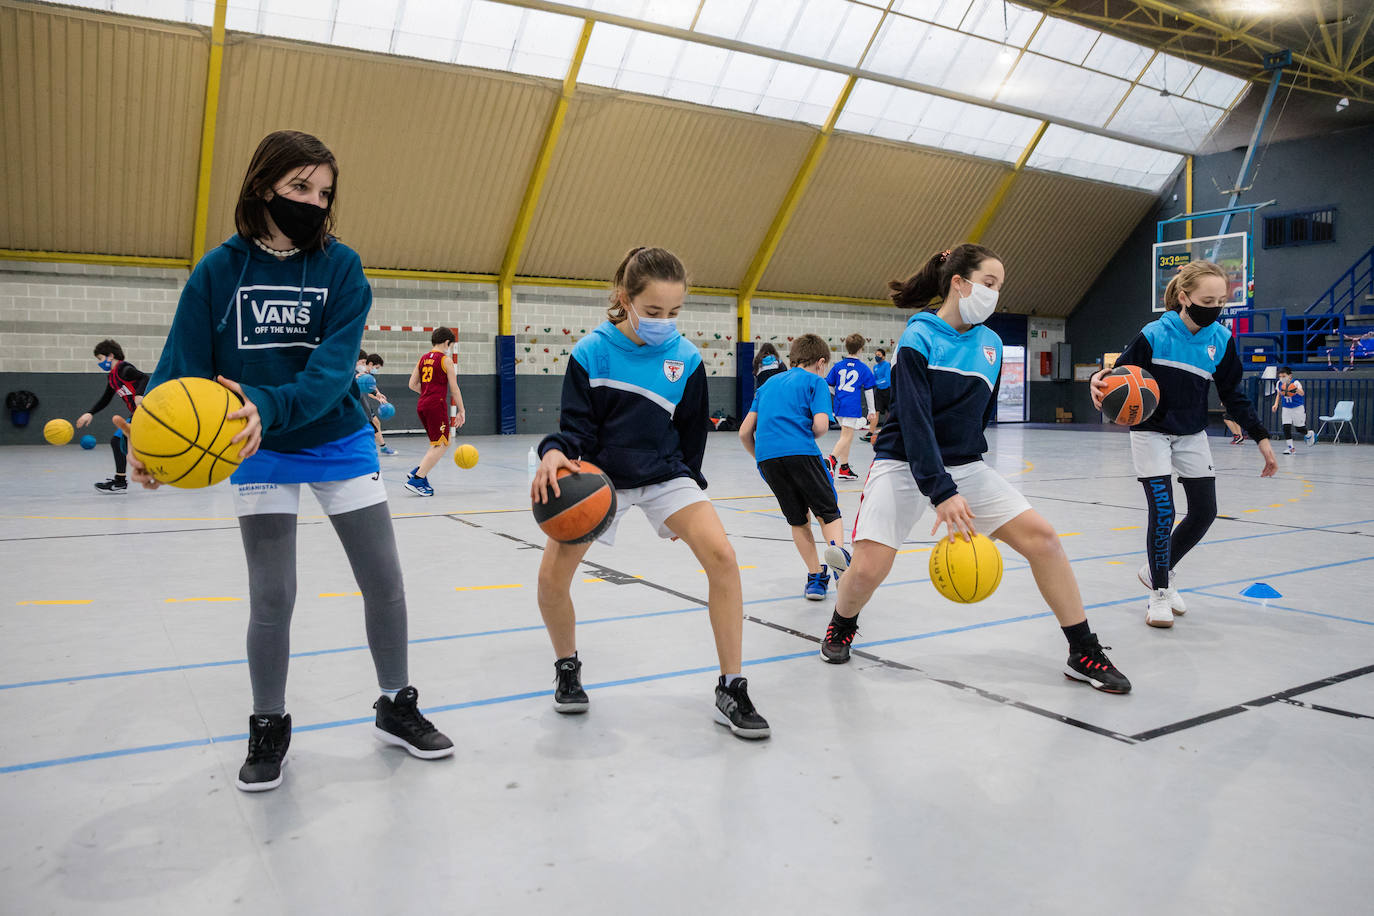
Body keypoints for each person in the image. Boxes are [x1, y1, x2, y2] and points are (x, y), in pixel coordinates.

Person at [124, 129, 452, 792]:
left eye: (324, 191)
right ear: (262, 186)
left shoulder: (342, 269)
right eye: (300, 186)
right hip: (255, 446)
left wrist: (266, 406)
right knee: (273, 595)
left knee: (383, 580)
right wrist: (147, 436)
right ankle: (269, 722)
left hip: (333, 436)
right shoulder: (219, 271)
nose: (314, 200)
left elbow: (334, 374)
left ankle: (396, 703)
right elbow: (182, 365)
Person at [820, 244, 1131, 694]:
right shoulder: (917, 338)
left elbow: (977, 417)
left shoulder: (991, 344)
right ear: (959, 284)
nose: (995, 294)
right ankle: (841, 623)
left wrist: (964, 479)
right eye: (989, 283)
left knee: (1043, 540)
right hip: (904, 464)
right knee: (867, 571)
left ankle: (1082, 650)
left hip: (965, 466)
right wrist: (942, 491)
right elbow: (915, 422)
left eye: (999, 287)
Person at [531, 246, 770, 739]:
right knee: (553, 576)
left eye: (675, 312)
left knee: (723, 557)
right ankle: (567, 668)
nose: (666, 322)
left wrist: (690, 500)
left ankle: (732, 684)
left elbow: (691, 435)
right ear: (626, 298)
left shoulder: (685, 358)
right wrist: (554, 451)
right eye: (655, 311)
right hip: (600, 479)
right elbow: (574, 427)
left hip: (665, 474)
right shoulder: (591, 352)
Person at [1091, 259, 1277, 629]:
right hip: (1150, 431)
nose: (1215, 308)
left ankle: (1156, 570)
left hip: (1192, 433)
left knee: (1205, 512)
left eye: (1221, 301)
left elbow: (1233, 395)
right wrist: (1097, 380)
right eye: (1207, 300)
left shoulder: (1221, 341)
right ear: (1183, 296)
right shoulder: (1154, 334)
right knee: (1162, 511)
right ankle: (1159, 591)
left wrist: (1262, 438)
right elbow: (1115, 378)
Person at [739, 333, 845, 601]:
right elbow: (821, 426)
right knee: (828, 513)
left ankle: (814, 579)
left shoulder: (766, 385)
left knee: (798, 519)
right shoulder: (815, 382)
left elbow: (744, 432)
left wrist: (761, 458)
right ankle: (841, 568)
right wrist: (802, 435)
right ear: (821, 363)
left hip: (767, 458)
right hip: (801, 451)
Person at [75, 339, 148, 493]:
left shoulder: (124, 369)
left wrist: (139, 394)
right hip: (137, 414)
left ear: (110, 356)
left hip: (148, 411)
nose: (100, 363)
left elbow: (144, 378)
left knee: (118, 441)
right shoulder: (112, 377)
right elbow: (106, 399)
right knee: (117, 441)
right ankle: (120, 481)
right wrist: (90, 413)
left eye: (100, 359)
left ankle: (120, 482)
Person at [405, 328, 465, 496]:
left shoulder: (423, 358)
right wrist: (461, 410)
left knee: (437, 442)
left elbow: (412, 384)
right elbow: (454, 388)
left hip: (422, 404)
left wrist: (426, 394)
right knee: (443, 443)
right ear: (447, 342)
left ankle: (419, 470)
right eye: (451, 345)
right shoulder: (445, 360)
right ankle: (417, 479)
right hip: (435, 405)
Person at [824, 333, 878, 480]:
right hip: (851, 406)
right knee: (847, 436)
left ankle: (844, 468)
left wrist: (838, 393)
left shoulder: (838, 366)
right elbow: (868, 391)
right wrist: (872, 410)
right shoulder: (863, 368)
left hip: (839, 405)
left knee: (846, 436)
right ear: (861, 349)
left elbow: (828, 385)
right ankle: (831, 460)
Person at [357, 351, 396, 456]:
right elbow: (368, 391)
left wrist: (378, 394)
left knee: (375, 423)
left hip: (364, 404)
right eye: (377, 368)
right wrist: (378, 397)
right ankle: (380, 447)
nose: (376, 370)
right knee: (370, 427)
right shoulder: (359, 374)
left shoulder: (366, 375)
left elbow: (371, 388)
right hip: (359, 406)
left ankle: (381, 447)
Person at [1271, 366, 1315, 454]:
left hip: (1297, 408)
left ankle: (1309, 434)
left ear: (1289, 376)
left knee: (1299, 428)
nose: (1282, 378)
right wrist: (1276, 404)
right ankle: (1291, 448)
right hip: (1286, 408)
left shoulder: (1296, 383)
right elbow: (1279, 395)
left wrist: (1294, 389)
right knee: (1286, 427)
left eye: (1284, 376)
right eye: (1280, 376)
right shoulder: (1279, 383)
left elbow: (1302, 393)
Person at [861, 346, 891, 443]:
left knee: (889, 413)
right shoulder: (875, 367)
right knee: (876, 412)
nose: (877, 357)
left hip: (888, 391)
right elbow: (873, 379)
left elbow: (887, 380)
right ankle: (870, 433)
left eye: (879, 355)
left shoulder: (887, 365)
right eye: (876, 355)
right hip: (879, 393)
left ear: (883, 356)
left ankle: (889, 432)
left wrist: (876, 383)